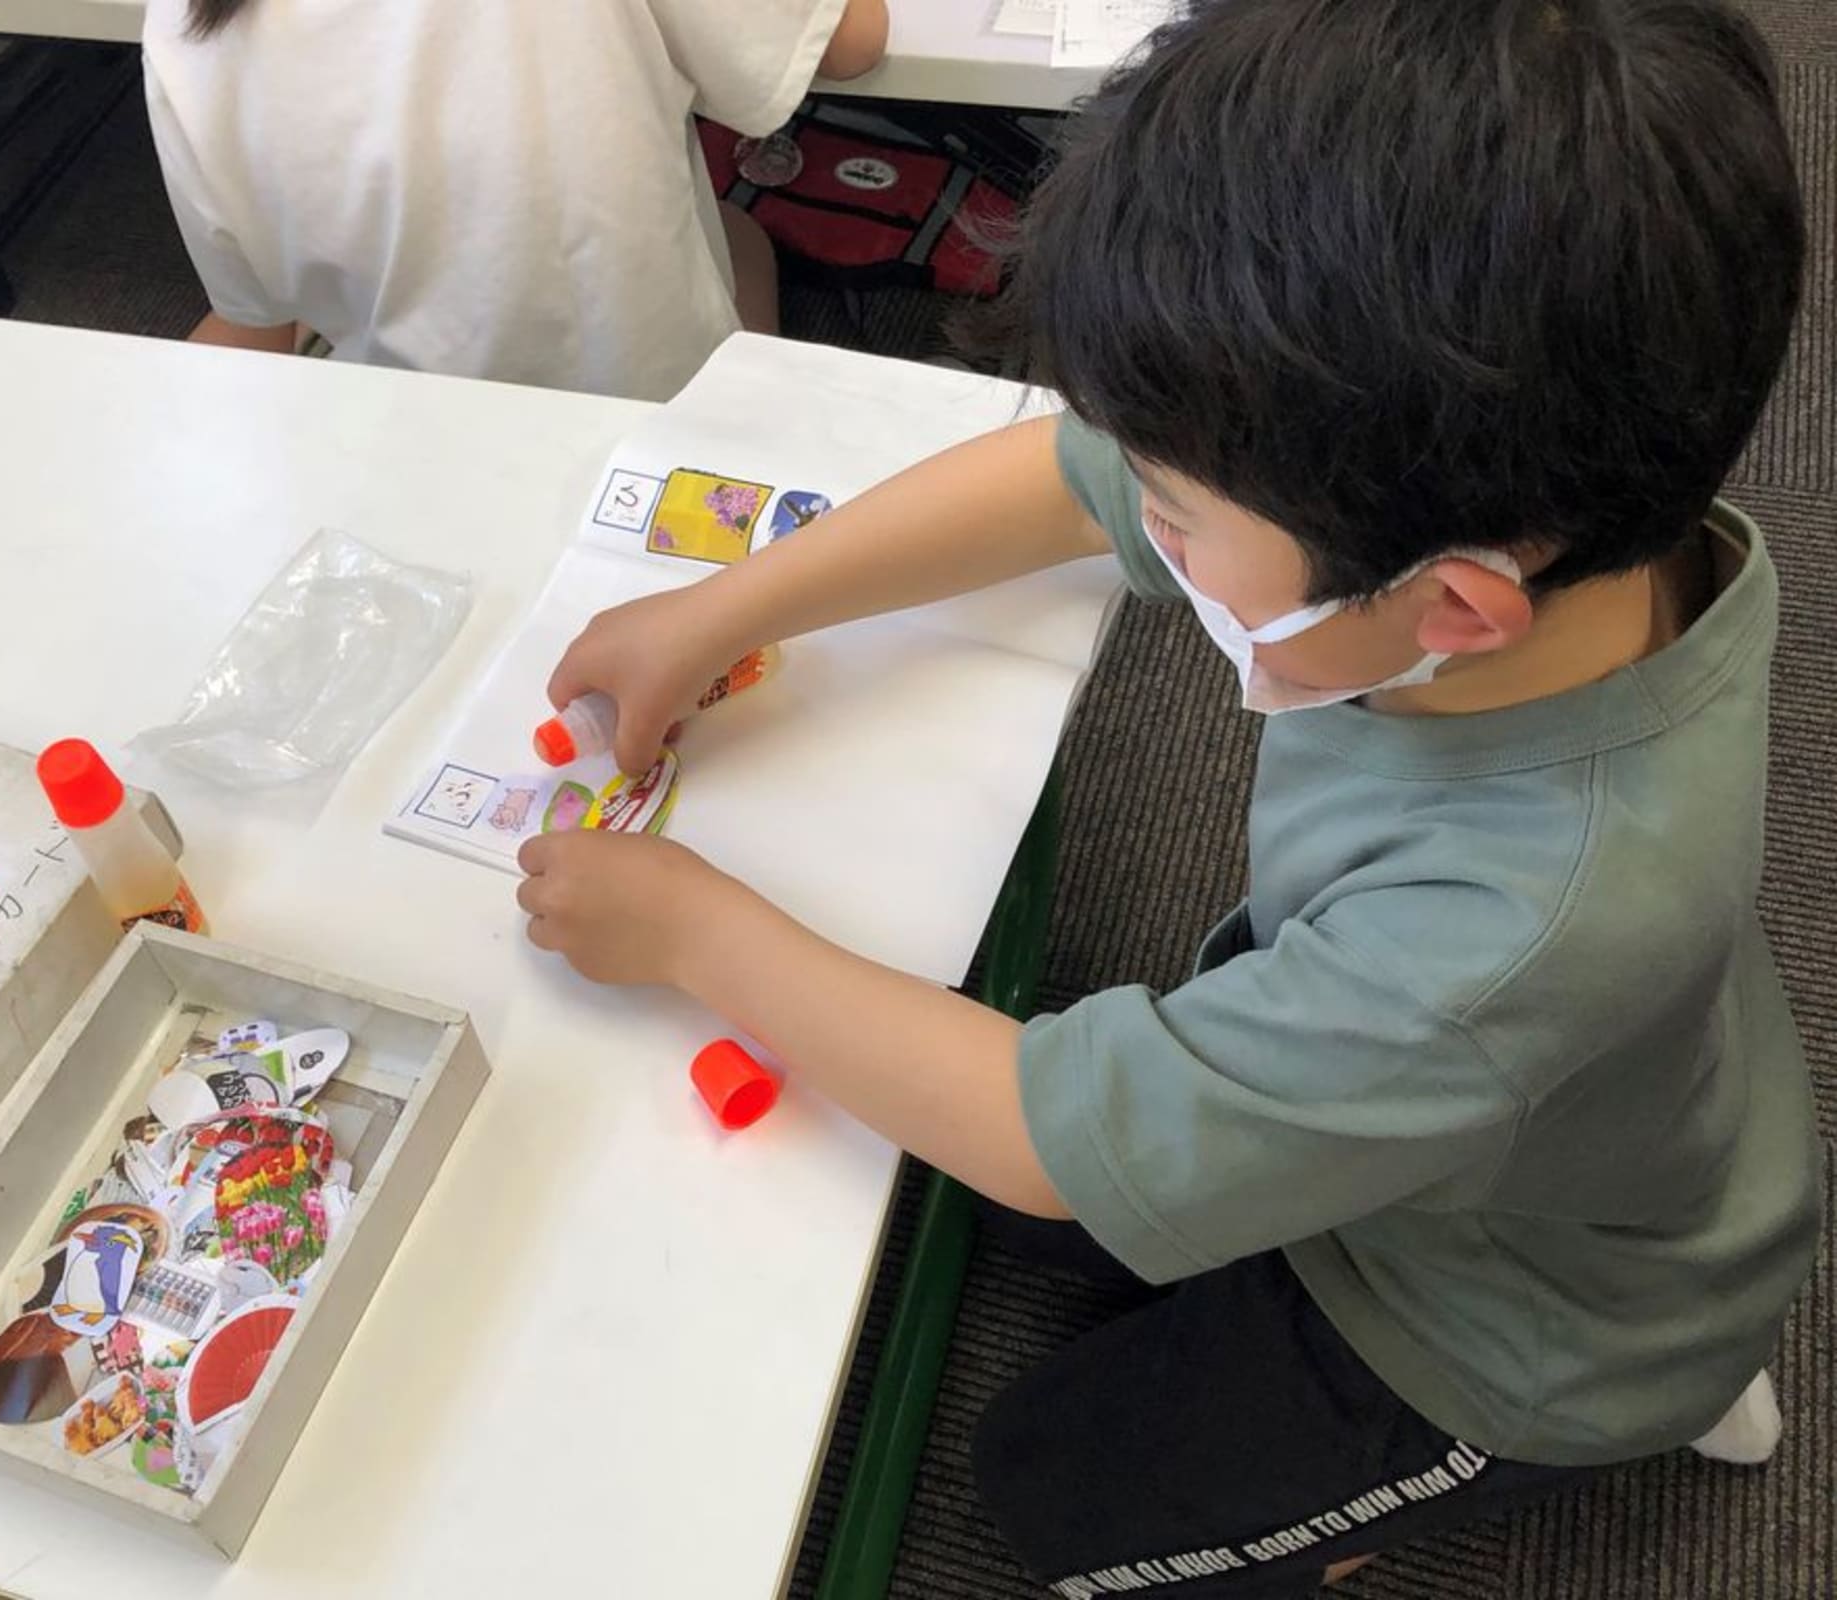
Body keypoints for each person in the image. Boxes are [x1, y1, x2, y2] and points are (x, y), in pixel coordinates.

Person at [513, 0, 1823, 1593]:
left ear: (1455, 607)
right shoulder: (1545, 527)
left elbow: (1038, 1139)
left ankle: (1621, 1413)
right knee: (983, 1135)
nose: (1145, 521)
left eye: (1178, 515)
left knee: (1046, 1482)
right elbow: (1068, 484)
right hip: (1548, 1112)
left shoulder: (1509, 927)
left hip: (1513, 1333)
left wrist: (690, 930)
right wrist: (729, 606)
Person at [141, 0, 889, 399]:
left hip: (395, 415)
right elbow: (855, 44)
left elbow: (254, 309)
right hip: (650, 416)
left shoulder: (180, 21)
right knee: (740, 236)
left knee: (297, 293)